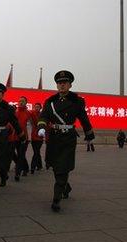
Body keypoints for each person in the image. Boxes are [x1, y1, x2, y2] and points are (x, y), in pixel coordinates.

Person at [36, 70, 94, 212]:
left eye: (65, 83)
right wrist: (42, 127)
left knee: (63, 166)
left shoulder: (77, 101)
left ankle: (57, 198)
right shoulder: (50, 101)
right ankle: (65, 186)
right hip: (54, 137)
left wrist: (89, 134)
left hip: (68, 137)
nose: (62, 85)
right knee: (55, 166)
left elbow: (83, 118)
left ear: (70, 85)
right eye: (59, 83)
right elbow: (44, 116)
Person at [14, 96, 33, 180]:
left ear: (26, 103)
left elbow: (29, 126)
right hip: (15, 137)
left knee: (21, 154)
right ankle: (25, 167)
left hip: (24, 138)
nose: (21, 102)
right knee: (14, 154)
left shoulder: (28, 113)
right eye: (19, 101)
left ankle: (17, 173)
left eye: (22, 101)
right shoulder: (15, 112)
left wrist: (28, 138)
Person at [30, 102, 44, 173]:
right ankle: (39, 165)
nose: (36, 108)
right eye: (35, 107)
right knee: (36, 152)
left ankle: (33, 167)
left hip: (40, 136)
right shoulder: (32, 113)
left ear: (40, 108)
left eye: (38, 107)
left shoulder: (43, 115)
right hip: (33, 136)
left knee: (36, 151)